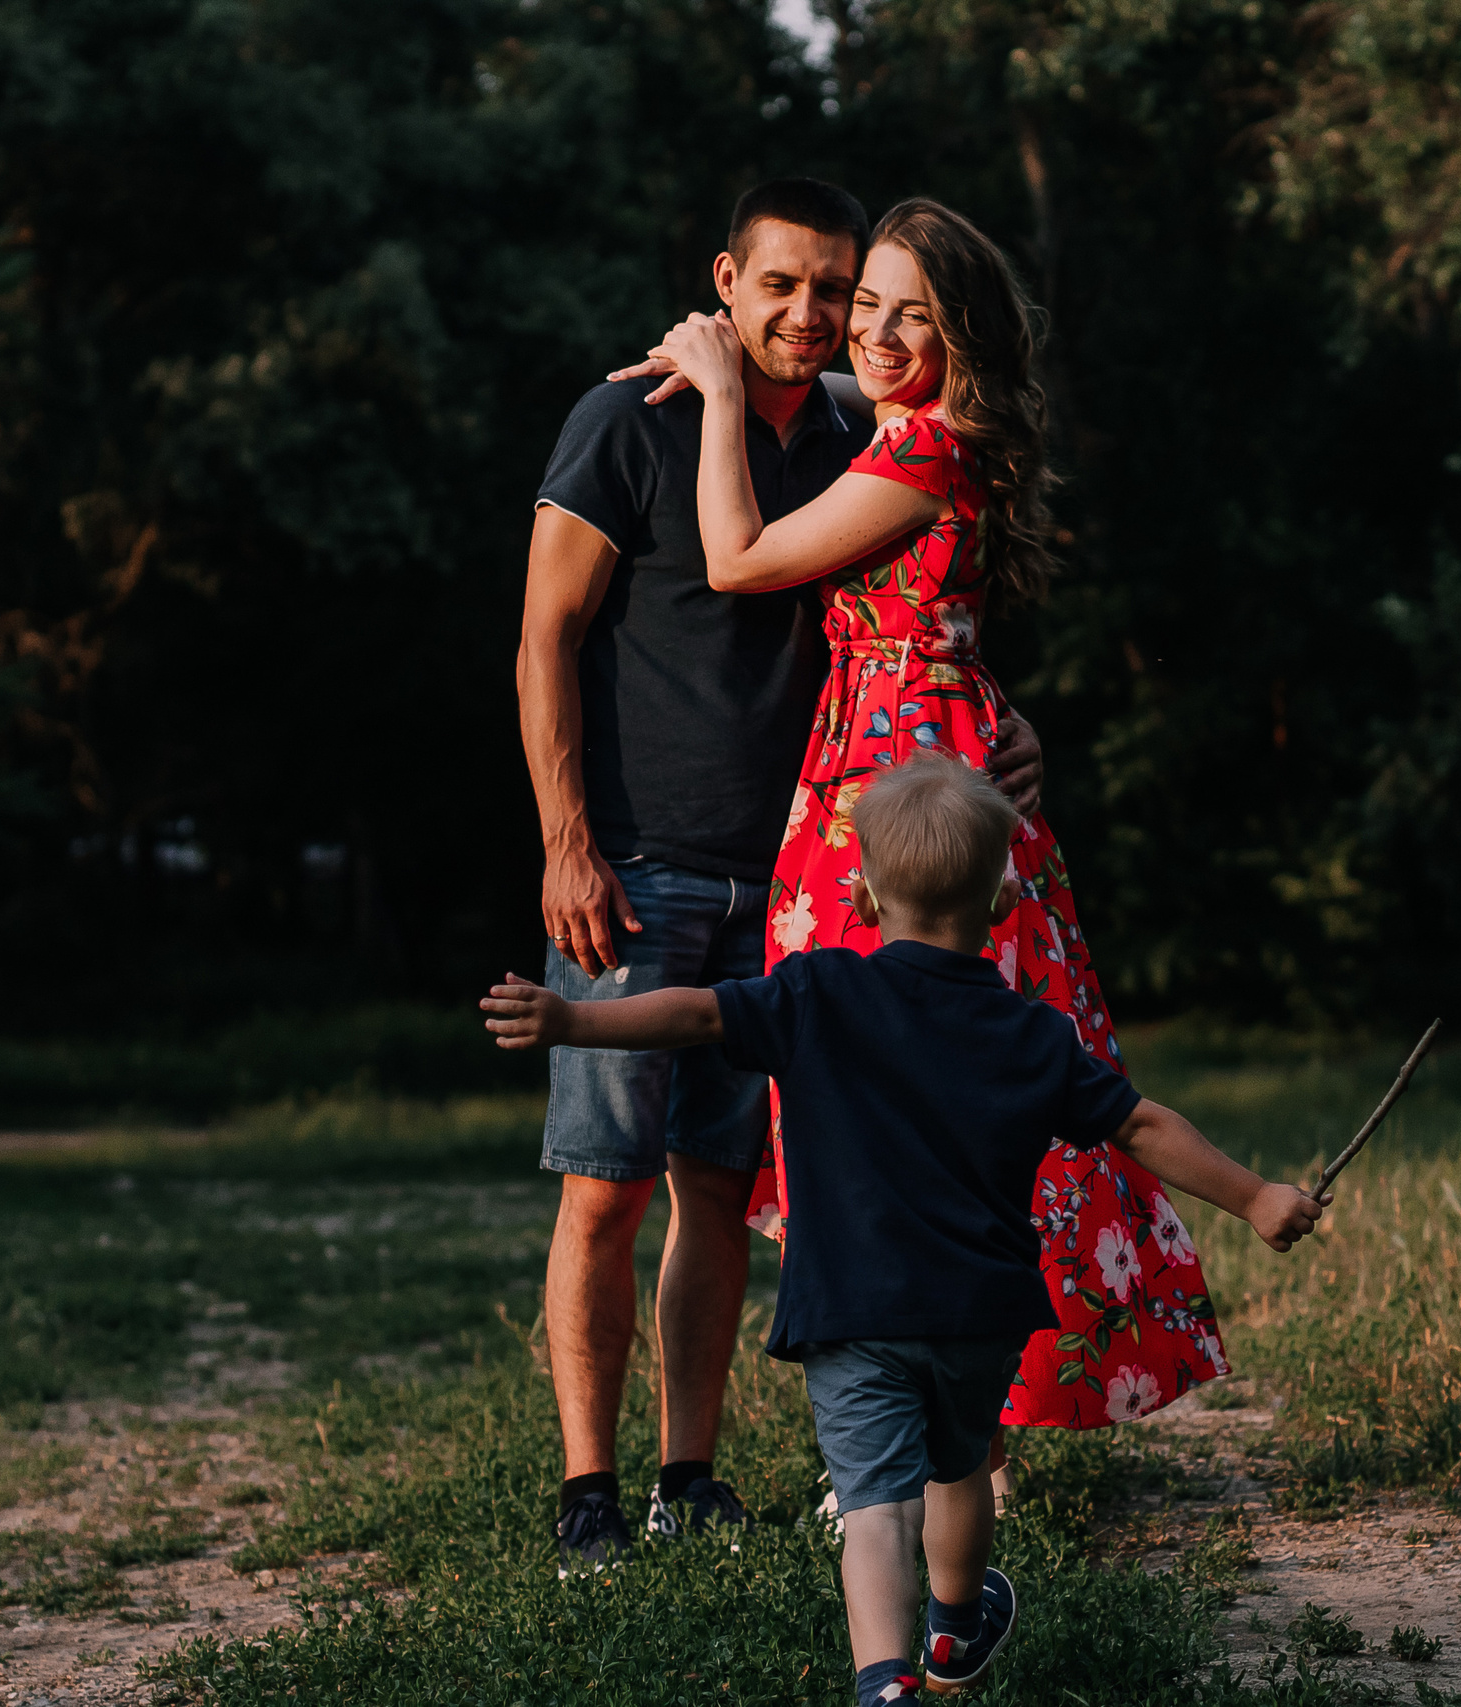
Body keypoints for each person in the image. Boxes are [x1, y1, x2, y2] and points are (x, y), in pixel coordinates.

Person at [482, 757, 1328, 1707]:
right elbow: (1142, 1124)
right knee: (960, 1469)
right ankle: (957, 1631)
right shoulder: (1032, 1031)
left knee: (877, 1505)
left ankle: (884, 1682)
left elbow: (693, 1012)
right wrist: (1256, 1195)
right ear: (1005, 894)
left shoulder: (815, 993)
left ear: (863, 891)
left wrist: (572, 1019)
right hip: (978, 1314)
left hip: (851, 1311)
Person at [631, 197, 1232, 1431]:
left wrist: (718, 388)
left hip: (892, 785)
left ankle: (947, 1427)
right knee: (923, 1074)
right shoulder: (903, 429)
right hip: (899, 750)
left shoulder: (920, 449)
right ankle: (929, 1419)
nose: (880, 334)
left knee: (904, 1079)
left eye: (918, 314)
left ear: (965, 335)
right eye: (869, 306)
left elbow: (738, 560)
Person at [518, 178, 1048, 1574]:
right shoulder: (623, 420)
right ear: (725, 282)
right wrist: (569, 841)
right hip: (634, 867)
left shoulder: (847, 436)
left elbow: (917, 595)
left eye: (841, 291)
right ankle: (588, 1487)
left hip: (796, 869)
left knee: (722, 1187)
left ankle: (689, 1474)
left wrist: (996, 714)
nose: (815, 316)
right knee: (603, 1184)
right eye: (789, 287)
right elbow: (544, 640)